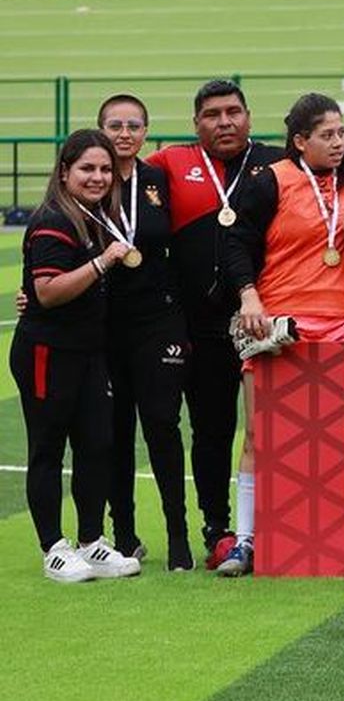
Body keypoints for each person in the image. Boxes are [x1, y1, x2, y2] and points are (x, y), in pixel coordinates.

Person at [218, 94, 344, 577]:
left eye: (341, 132)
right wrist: (249, 297)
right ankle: (246, 542)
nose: (337, 142)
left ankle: (341, 535)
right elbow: (236, 242)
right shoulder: (270, 181)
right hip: (278, 327)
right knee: (261, 437)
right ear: (299, 141)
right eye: (326, 135)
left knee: (343, 435)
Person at [142, 79, 279, 569]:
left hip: (268, 322)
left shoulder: (278, 162)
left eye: (233, 112)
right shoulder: (168, 164)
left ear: (248, 115)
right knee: (212, 428)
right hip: (199, 324)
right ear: (195, 123)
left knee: (279, 428)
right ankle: (217, 528)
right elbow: (105, 184)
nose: (224, 122)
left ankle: (282, 526)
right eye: (213, 114)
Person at [13, 131, 142, 582]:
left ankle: (91, 541)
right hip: (48, 350)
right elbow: (47, 293)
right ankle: (53, 547)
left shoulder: (93, 215)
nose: (98, 177)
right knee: (48, 448)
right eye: (87, 169)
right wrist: (104, 261)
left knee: (97, 444)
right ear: (64, 172)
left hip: (88, 351)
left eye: (105, 169)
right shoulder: (54, 219)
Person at [95, 95, 193, 572]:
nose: (124, 133)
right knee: (115, 431)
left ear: (146, 131)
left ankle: (179, 536)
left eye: (134, 125)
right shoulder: (89, 181)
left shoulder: (158, 179)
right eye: (115, 125)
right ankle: (125, 535)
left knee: (162, 424)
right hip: (104, 324)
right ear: (101, 130)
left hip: (158, 320)